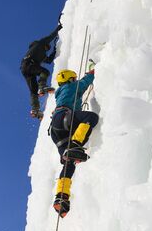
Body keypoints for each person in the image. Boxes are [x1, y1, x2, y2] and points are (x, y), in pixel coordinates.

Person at [49, 61, 99, 218]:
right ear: (70, 79)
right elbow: (84, 83)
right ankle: (76, 144)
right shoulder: (70, 87)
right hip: (65, 119)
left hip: (56, 130)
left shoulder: (60, 94)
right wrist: (92, 73)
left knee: (68, 161)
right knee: (91, 117)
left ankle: (61, 196)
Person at [20, 23, 62, 119]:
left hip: (24, 68)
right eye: (47, 48)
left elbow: (48, 60)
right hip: (30, 64)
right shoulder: (40, 43)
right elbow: (51, 36)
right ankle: (42, 87)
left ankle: (35, 110)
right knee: (45, 72)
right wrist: (59, 28)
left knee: (33, 91)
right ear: (46, 46)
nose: (47, 50)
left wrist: (55, 51)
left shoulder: (39, 53)